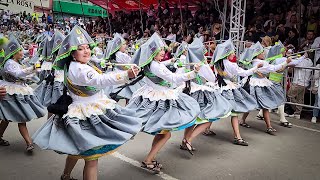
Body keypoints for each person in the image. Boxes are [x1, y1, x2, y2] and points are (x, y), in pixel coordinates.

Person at [32, 25, 142, 180]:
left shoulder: (77, 65)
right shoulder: (79, 69)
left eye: (87, 48)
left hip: (87, 108)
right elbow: (100, 79)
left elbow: (97, 64)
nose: (86, 51)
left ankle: (65, 175)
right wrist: (126, 74)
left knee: (78, 149)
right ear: (72, 53)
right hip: (85, 113)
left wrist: (108, 64)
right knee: (92, 158)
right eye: (81, 49)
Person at [126, 33, 202, 173]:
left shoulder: (150, 63)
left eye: (162, 50)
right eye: (159, 51)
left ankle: (151, 157)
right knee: (165, 133)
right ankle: (148, 160)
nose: (162, 52)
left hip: (153, 96)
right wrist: (193, 73)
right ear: (152, 53)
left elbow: (162, 66)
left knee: (162, 132)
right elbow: (173, 78)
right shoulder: (156, 66)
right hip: (160, 100)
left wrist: (172, 61)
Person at [212, 40, 261, 145]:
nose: (234, 54)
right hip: (228, 89)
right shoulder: (231, 65)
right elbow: (244, 73)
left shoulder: (217, 64)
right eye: (233, 52)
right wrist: (256, 68)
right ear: (227, 53)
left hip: (218, 88)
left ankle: (199, 133)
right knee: (234, 113)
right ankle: (238, 137)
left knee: (215, 111)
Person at [0, 35, 45, 151]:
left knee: (7, 119)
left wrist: (35, 70)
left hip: (19, 91)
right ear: (13, 52)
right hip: (11, 92)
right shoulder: (9, 63)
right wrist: (32, 68)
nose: (22, 52)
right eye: (20, 50)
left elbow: (25, 76)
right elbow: (19, 74)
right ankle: (29, 142)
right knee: (20, 119)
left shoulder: (17, 62)